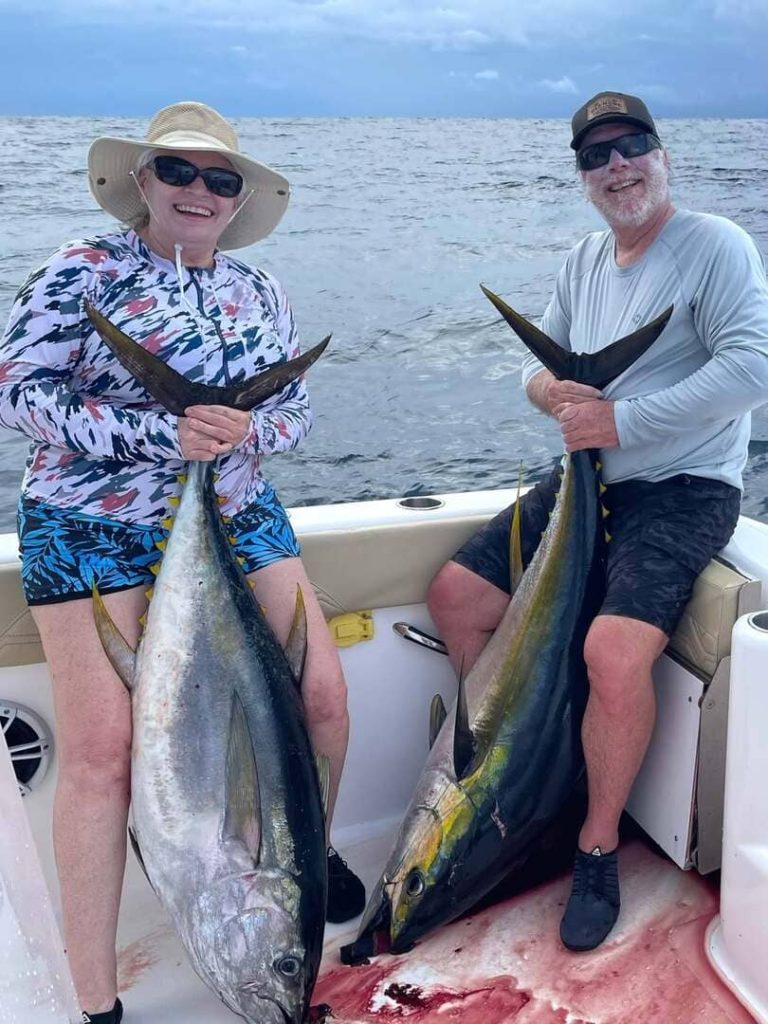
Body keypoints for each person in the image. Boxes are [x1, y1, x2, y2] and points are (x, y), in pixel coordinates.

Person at [0, 101, 364, 1024]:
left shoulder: (261, 290)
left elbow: (295, 413)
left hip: (236, 510)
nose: (199, 192)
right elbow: (18, 392)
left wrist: (246, 426)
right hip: (90, 522)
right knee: (101, 754)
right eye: (179, 172)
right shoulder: (81, 270)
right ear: (143, 181)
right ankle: (95, 1002)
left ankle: (299, 858)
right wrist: (163, 434)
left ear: (239, 200)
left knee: (323, 698)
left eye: (221, 179)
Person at [428, 91, 768, 953]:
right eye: (597, 156)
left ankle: (594, 845)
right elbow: (537, 368)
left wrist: (620, 421)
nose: (618, 166)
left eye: (633, 146)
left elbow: (752, 369)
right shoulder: (584, 259)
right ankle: (511, 771)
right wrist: (552, 390)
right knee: (458, 595)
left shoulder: (716, 246)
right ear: (582, 177)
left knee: (614, 652)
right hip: (588, 479)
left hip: (684, 487)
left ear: (663, 155)